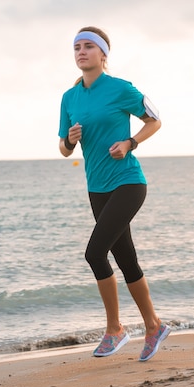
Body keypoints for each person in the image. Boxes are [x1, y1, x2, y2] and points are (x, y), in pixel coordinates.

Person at [58, 26, 169, 362]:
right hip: (97, 188)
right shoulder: (69, 97)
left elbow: (155, 120)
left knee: (95, 253)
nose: (81, 52)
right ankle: (154, 327)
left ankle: (114, 330)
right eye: (77, 47)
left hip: (128, 182)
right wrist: (71, 139)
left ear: (103, 55)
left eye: (89, 46)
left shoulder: (121, 88)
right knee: (125, 259)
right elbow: (63, 149)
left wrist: (130, 142)